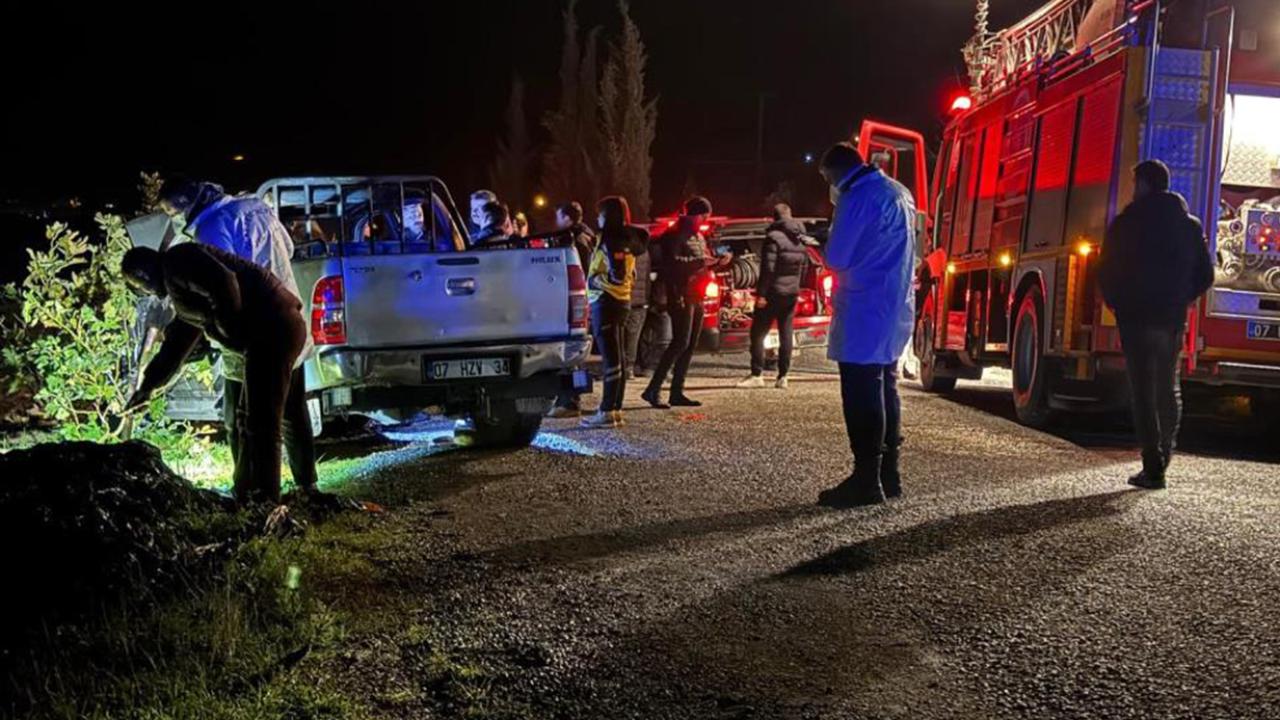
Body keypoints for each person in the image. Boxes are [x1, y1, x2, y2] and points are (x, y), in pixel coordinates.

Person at [157, 178, 318, 495]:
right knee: (292, 411)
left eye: (173, 212)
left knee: (244, 421)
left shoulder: (210, 229)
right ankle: (306, 485)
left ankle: (249, 491)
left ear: (187, 206)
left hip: (253, 334)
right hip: (290, 319)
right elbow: (288, 248)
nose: (173, 219)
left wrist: (225, 330)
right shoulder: (254, 206)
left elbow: (221, 287)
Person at [122, 243, 307, 504]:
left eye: (140, 286)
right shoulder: (179, 286)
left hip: (273, 329)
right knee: (248, 420)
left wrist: (229, 328)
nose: (147, 292)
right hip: (266, 334)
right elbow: (177, 345)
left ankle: (265, 501)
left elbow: (224, 281)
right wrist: (147, 386)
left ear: (143, 275)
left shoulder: (179, 259)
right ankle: (246, 494)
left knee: (262, 424)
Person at [1098, 160, 1213, 490]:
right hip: (1170, 319)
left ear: (1145, 184)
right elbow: (1206, 275)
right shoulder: (1189, 226)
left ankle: (1152, 467)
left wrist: (1118, 302)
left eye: (1136, 182)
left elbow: (1106, 269)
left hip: (1135, 319)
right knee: (1166, 387)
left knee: (1143, 392)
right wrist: (1182, 299)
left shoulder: (1126, 222)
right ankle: (1165, 453)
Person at [814, 142, 916, 508]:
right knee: (886, 386)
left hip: (864, 304)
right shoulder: (898, 191)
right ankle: (889, 475)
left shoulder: (857, 198)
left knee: (860, 390)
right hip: (894, 303)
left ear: (837, 171)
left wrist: (823, 246)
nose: (829, 186)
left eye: (827, 178)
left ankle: (865, 479)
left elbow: (838, 257)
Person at [642, 195, 724, 409]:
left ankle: (677, 391)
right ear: (694, 215)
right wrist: (699, 262)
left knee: (689, 345)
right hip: (680, 294)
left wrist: (714, 264)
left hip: (696, 294)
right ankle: (654, 388)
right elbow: (672, 265)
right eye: (703, 216)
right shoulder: (675, 235)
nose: (705, 221)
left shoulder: (698, 236)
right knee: (679, 342)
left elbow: (699, 264)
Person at [581, 196, 645, 429]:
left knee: (611, 359)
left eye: (600, 214)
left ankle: (607, 410)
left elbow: (616, 274)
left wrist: (597, 281)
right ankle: (615, 409)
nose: (597, 218)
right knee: (617, 358)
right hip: (621, 302)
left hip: (606, 302)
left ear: (608, 215)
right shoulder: (627, 239)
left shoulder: (612, 240)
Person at [738, 203, 810, 390]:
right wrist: (797, 287)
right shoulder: (800, 239)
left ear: (774, 218)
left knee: (758, 332)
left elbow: (768, 269)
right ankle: (783, 376)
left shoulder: (773, 238)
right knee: (786, 333)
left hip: (773, 293)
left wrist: (761, 294)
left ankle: (757, 374)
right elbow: (805, 267)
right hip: (791, 294)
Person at [549, 202, 598, 419]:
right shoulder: (586, 236)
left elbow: (581, 272)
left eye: (559, 217)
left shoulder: (575, 241)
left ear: (568, 218)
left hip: (575, 301)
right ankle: (571, 399)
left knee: (571, 354)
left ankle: (570, 401)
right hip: (581, 301)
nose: (556, 221)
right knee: (575, 354)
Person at [624, 228, 651, 379]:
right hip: (640, 301)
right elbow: (646, 278)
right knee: (633, 337)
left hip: (623, 299)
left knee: (621, 337)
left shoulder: (625, 253)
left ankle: (623, 367)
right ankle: (629, 367)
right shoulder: (645, 253)